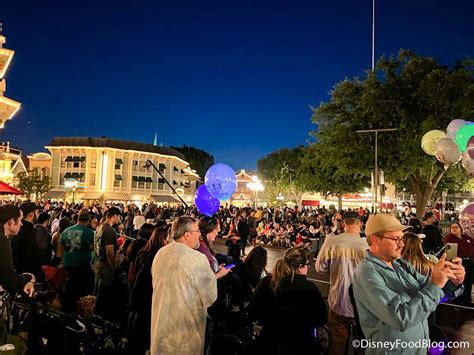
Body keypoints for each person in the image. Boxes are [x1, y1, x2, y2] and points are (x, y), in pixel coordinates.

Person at [352, 214, 465, 355]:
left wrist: (453, 280)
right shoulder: (367, 273)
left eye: (402, 238)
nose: (402, 244)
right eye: (396, 239)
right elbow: (400, 318)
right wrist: (436, 285)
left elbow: (429, 287)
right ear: (375, 239)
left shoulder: (400, 264)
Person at [150, 216, 218, 355]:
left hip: (160, 329)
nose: (199, 234)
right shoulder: (197, 258)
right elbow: (210, 296)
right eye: (197, 231)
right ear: (187, 235)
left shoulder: (160, 254)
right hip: (185, 332)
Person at [248, 247, 327, 355]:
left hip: (270, 343)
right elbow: (322, 318)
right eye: (307, 264)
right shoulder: (310, 288)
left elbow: (253, 311)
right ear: (300, 267)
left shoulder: (267, 282)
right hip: (302, 346)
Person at [315, 211, 368, 355]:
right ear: (360, 224)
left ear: (343, 223)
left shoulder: (332, 242)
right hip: (362, 305)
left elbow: (319, 268)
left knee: (337, 345)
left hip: (338, 302)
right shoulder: (367, 245)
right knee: (362, 346)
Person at [128, 221, 169, 355]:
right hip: (148, 294)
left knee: (138, 322)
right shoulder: (157, 255)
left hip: (137, 292)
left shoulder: (144, 250)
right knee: (145, 326)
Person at [59, 211, 95, 312]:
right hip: (83, 265)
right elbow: (93, 248)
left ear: (77, 219)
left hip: (68, 263)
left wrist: (63, 258)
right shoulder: (89, 233)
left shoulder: (66, 231)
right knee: (81, 290)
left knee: (70, 287)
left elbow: (61, 247)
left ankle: (67, 308)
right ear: (88, 221)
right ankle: (78, 310)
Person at [93, 207, 122, 321]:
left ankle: (95, 315)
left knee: (98, 292)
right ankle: (100, 320)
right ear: (114, 216)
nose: (119, 219)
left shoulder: (100, 227)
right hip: (105, 266)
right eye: (118, 217)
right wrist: (114, 267)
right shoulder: (109, 230)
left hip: (98, 262)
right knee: (103, 294)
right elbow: (109, 252)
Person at [0, 205, 35, 297]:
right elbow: (7, 276)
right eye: (20, 220)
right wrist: (28, 278)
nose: (21, 224)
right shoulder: (2, 240)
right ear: (11, 221)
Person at [11, 202, 45, 281]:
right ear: (31, 214)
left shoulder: (22, 228)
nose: (39, 214)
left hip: (20, 270)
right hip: (26, 273)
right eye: (37, 212)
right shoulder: (27, 230)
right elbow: (29, 253)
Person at [443, 222, 474, 305]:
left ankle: (467, 301)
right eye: (452, 227)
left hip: (470, 263)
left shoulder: (466, 237)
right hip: (458, 263)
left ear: (460, 228)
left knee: (468, 283)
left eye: (456, 227)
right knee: (459, 283)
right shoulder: (449, 238)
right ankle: (457, 302)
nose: (454, 229)